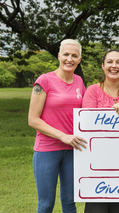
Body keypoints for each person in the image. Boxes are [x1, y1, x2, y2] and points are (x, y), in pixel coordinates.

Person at [28, 39, 87, 213]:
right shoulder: (44, 81)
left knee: (69, 203)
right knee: (46, 205)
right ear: (59, 56)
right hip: (47, 149)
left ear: (79, 59)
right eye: (66, 54)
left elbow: (88, 112)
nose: (70, 59)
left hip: (73, 149)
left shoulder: (79, 82)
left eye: (74, 56)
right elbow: (33, 119)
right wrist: (62, 135)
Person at [82, 49, 119, 213]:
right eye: (110, 62)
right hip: (97, 159)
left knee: (118, 208)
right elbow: (86, 123)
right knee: (96, 207)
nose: (114, 66)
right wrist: (110, 113)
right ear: (103, 66)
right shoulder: (93, 90)